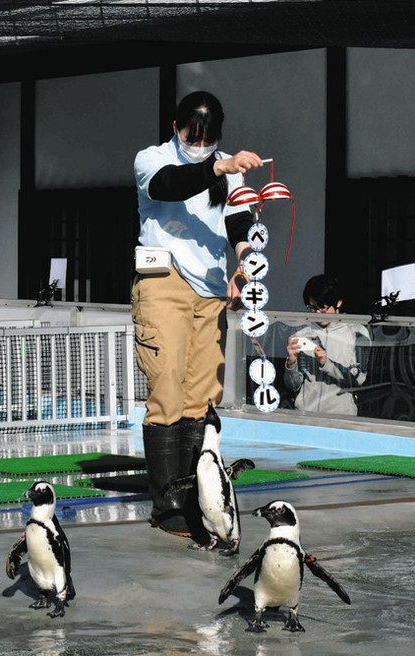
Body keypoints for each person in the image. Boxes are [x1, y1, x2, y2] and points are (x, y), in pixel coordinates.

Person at [132, 90, 263, 539]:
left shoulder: (229, 168)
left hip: (211, 287)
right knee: (166, 385)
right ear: (176, 127)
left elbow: (240, 224)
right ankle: (166, 501)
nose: (201, 144)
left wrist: (246, 265)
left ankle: (195, 496)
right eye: (194, 135)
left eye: (210, 139)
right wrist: (217, 167)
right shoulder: (151, 159)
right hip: (163, 280)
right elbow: (169, 184)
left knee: (202, 396)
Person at [283, 275, 368, 415]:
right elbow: (293, 386)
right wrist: (291, 364)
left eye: (323, 307)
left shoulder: (356, 332)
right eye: (312, 308)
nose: (317, 313)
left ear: (338, 303)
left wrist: (326, 363)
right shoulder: (302, 334)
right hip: (306, 414)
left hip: (341, 415)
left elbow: (359, 379)